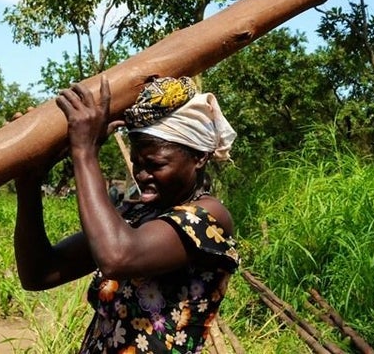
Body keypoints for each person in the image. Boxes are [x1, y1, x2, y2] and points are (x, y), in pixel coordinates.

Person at [13, 75, 240, 353]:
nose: (142, 175)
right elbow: (39, 273)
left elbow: (117, 257)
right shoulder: (138, 213)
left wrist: (84, 151)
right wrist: (28, 183)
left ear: (199, 157)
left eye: (156, 164)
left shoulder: (208, 217)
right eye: (137, 163)